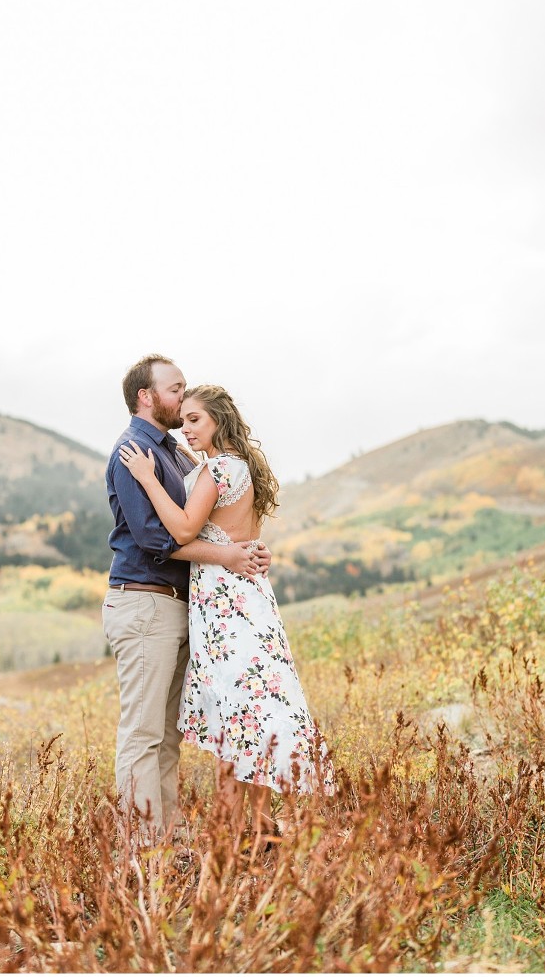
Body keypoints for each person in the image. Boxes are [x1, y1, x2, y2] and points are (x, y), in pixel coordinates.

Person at [119, 383, 334, 844]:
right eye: (185, 419)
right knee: (252, 707)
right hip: (248, 596)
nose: (187, 428)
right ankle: (254, 827)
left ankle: (233, 835)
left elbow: (180, 529)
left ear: (218, 419)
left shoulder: (218, 468)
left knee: (237, 710)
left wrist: (146, 477)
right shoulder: (241, 466)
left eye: (195, 419)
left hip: (226, 602)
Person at [103, 355, 272, 842]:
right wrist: (228, 555)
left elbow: (215, 518)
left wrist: (245, 550)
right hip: (144, 604)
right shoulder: (133, 452)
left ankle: (165, 841)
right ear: (146, 396)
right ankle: (139, 850)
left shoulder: (176, 453)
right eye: (175, 389)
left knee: (167, 738)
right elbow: (159, 538)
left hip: (183, 606)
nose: (184, 395)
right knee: (143, 733)